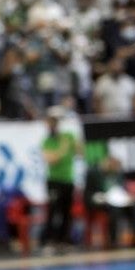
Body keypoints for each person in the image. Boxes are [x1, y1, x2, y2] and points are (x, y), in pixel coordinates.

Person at [40, 107, 79, 253]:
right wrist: (63, 148)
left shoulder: (68, 136)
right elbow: (51, 159)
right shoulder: (47, 141)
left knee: (67, 212)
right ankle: (50, 242)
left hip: (68, 179)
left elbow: (79, 152)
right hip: (54, 180)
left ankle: (65, 241)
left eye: (55, 122)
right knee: (52, 211)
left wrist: (76, 143)